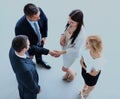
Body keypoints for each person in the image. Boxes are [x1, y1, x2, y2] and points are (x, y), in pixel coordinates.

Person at [15, 3, 51, 69]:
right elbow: (22, 43)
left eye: (39, 15)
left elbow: (45, 21)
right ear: (28, 16)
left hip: (40, 39)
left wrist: (44, 36)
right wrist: (30, 52)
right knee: (29, 59)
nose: (39, 18)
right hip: (30, 45)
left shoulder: (39, 10)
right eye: (36, 17)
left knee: (40, 51)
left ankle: (39, 61)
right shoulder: (19, 27)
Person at [55, 9, 86, 82]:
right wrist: (62, 37)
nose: (69, 22)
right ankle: (67, 73)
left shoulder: (82, 35)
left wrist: (61, 52)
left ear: (79, 22)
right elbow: (64, 32)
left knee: (64, 68)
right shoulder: (70, 23)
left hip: (71, 54)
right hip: (65, 50)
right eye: (69, 20)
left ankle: (73, 74)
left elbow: (76, 49)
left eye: (72, 22)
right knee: (66, 64)